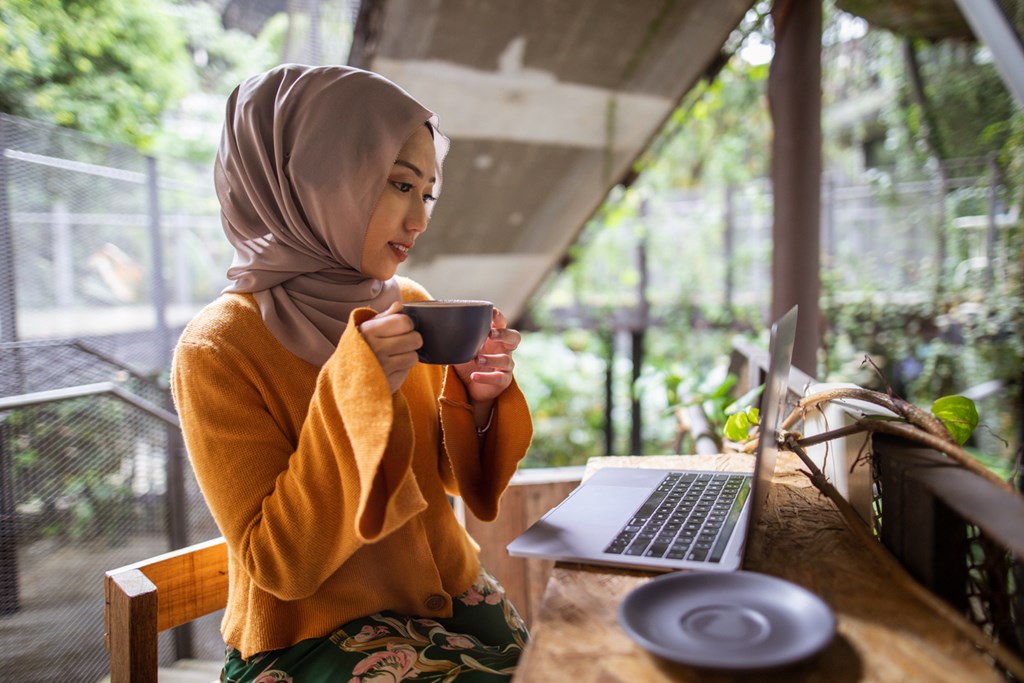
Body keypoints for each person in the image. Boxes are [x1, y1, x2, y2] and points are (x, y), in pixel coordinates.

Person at [170, 64, 534, 682]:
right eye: (398, 184)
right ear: (313, 178)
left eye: (428, 194)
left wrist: (475, 401)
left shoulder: (407, 301)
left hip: (450, 595)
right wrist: (353, 393)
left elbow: (444, 479)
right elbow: (280, 564)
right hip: (308, 638)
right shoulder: (219, 347)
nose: (419, 220)